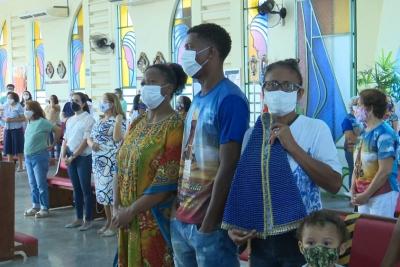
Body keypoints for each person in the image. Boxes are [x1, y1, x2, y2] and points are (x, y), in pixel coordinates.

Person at [222, 59, 342, 266]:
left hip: (306, 237)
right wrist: (238, 223)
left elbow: (334, 183)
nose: (279, 90)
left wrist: (293, 147)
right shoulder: (253, 135)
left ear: (300, 93)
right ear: (263, 92)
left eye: (288, 86)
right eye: (272, 85)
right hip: (263, 238)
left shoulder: (315, 129)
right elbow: (246, 186)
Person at [171, 23, 249, 267]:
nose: (184, 55)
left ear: (212, 53)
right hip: (184, 217)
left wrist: (210, 221)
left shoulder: (230, 99)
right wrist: (177, 207)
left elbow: (229, 165)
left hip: (208, 223)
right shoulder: (198, 98)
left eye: (190, 48)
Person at [112, 63, 186, 267]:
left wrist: (130, 211)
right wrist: (116, 206)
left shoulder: (175, 126)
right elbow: (120, 165)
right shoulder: (138, 123)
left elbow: (165, 181)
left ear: (168, 88)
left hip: (152, 220)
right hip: (127, 218)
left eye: (152, 82)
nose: (145, 87)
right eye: (143, 82)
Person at [351, 89, 399, 217]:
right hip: (362, 194)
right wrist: (352, 189)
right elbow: (357, 165)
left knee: (379, 234)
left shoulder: (385, 134)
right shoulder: (363, 133)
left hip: (382, 194)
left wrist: (366, 194)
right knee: (365, 232)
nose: (355, 108)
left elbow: (385, 171)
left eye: (359, 105)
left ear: (370, 108)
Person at [87, 93, 126, 237]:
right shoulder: (100, 120)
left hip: (111, 161)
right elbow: (89, 138)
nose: (102, 104)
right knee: (102, 194)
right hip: (98, 162)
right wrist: (92, 144)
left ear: (112, 103)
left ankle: (115, 225)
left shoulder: (119, 119)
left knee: (111, 195)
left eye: (104, 102)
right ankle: (108, 221)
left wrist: (117, 121)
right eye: (101, 101)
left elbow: (117, 139)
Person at [61, 92, 95, 230]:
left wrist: (73, 156)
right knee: (76, 189)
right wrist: (63, 155)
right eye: (71, 100)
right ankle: (78, 218)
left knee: (85, 189)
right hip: (69, 155)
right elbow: (66, 139)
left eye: (76, 100)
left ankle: (89, 219)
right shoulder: (69, 120)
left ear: (83, 103)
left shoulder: (89, 119)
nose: (73, 102)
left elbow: (85, 142)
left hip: (82, 157)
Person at [23, 101, 61, 218]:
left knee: (40, 183)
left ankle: (44, 208)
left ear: (34, 110)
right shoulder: (29, 122)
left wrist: (53, 144)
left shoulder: (42, 122)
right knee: (32, 183)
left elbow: (58, 130)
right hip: (28, 157)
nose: (26, 111)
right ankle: (36, 206)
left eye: (28, 109)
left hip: (39, 156)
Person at [1, 91, 26, 171]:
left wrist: (13, 120)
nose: (9, 99)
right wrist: (5, 119)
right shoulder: (5, 105)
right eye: (8, 98)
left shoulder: (19, 106)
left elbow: (23, 118)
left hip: (17, 129)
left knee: (18, 147)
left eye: (10, 98)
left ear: (14, 99)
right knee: (8, 147)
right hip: (7, 129)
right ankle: (10, 166)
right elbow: (2, 116)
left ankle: (21, 165)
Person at [341, 96, 362, 189]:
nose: (360, 107)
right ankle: (352, 196)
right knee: (354, 172)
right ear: (352, 106)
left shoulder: (361, 119)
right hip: (351, 151)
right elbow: (350, 138)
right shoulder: (347, 120)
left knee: (361, 173)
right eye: (358, 105)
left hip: (362, 150)